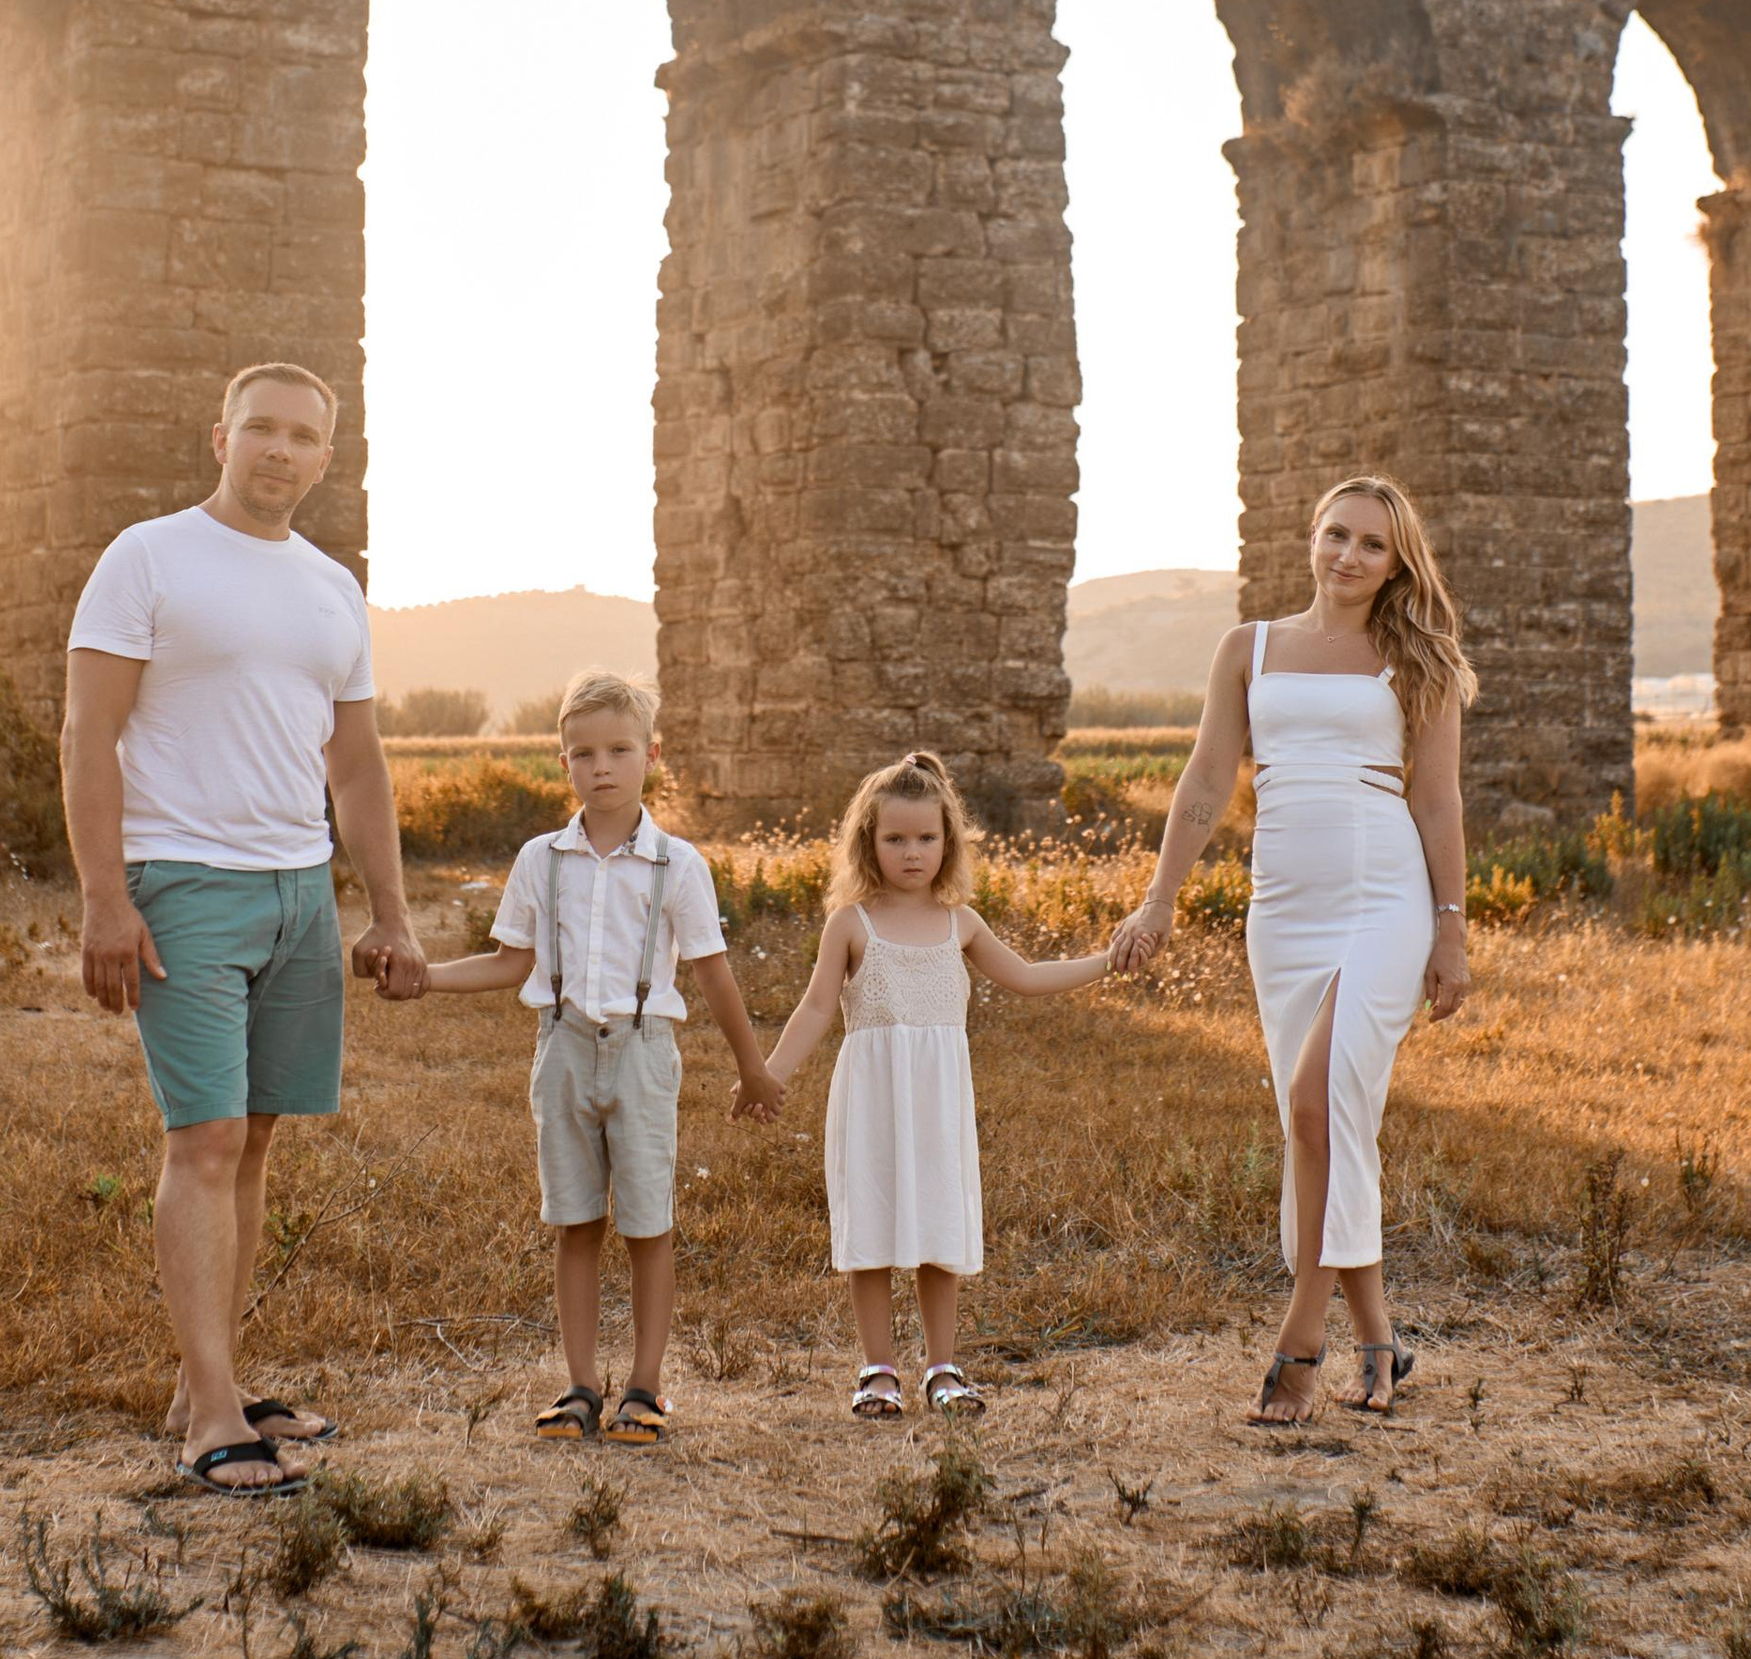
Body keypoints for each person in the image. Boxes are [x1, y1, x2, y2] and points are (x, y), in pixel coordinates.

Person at [62, 362, 428, 1496]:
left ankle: (203, 1377)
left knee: (256, 1137)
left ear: (326, 458)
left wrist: (390, 909)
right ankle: (213, 1415)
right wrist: (104, 898)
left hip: (297, 891)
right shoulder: (148, 557)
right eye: (259, 428)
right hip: (183, 885)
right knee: (204, 1142)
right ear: (219, 434)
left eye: (302, 436)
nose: (279, 449)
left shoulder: (333, 587)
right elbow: (87, 732)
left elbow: (357, 763)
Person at [1109, 475, 1475, 1423]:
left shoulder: (1417, 659)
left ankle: (1302, 1336)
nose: (1348, 557)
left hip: (1384, 899)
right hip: (1284, 911)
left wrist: (1450, 931)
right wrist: (1160, 901)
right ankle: (1382, 1339)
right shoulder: (1250, 648)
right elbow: (1204, 783)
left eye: (1372, 546)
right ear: (1309, 538)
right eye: (1335, 534)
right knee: (1323, 1123)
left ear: (1398, 565)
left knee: (1321, 1101)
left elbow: (1436, 802)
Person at [416, 669, 785, 1448]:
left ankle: (646, 1387)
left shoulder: (675, 864)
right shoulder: (540, 859)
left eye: (620, 750)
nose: (603, 767)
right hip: (563, 1048)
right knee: (575, 1221)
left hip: (646, 1051)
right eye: (583, 753)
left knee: (648, 1224)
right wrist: (426, 979)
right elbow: (508, 963)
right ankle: (581, 1384)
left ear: (652, 755)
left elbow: (713, 969)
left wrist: (753, 1068)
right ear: (563, 764)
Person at [760, 750, 1114, 1422]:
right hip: (872, 1100)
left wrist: (1105, 962)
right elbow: (813, 1009)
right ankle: (878, 1370)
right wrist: (769, 1074)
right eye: (895, 839)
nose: (912, 852)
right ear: (868, 842)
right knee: (872, 1229)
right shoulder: (851, 924)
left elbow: (1028, 977)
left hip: (938, 1102)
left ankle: (943, 1368)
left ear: (948, 841)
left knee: (938, 1230)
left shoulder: (963, 923)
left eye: (926, 838)